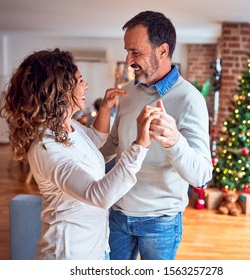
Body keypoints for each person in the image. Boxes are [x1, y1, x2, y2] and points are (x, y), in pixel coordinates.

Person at [0, 48, 161, 260]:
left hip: (94, 248)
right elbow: (99, 195)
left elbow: (93, 143)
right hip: (69, 254)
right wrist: (140, 144)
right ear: (59, 90)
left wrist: (104, 109)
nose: (86, 85)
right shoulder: (45, 148)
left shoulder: (68, 126)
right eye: (80, 80)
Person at [99, 11, 213, 260]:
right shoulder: (128, 92)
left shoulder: (190, 99)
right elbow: (115, 144)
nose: (128, 60)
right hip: (118, 214)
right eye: (127, 51)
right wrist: (82, 159)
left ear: (162, 51)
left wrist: (174, 142)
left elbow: (202, 175)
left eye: (135, 52)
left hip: (160, 223)